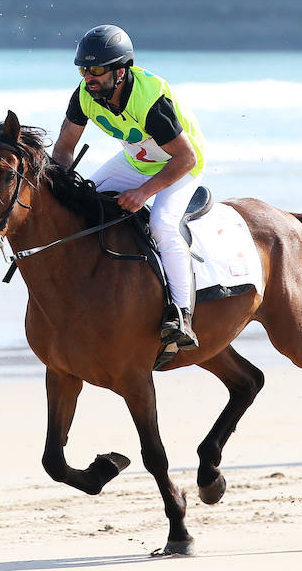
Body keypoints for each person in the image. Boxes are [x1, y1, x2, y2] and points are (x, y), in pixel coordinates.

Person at [53, 25, 207, 350]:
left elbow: (186, 157)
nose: (87, 78)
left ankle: (182, 315)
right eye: (83, 69)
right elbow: (64, 149)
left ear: (120, 72)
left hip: (179, 165)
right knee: (81, 204)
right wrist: (62, 186)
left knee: (162, 224)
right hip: (136, 162)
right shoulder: (84, 96)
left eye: (95, 70)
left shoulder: (150, 101)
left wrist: (143, 193)